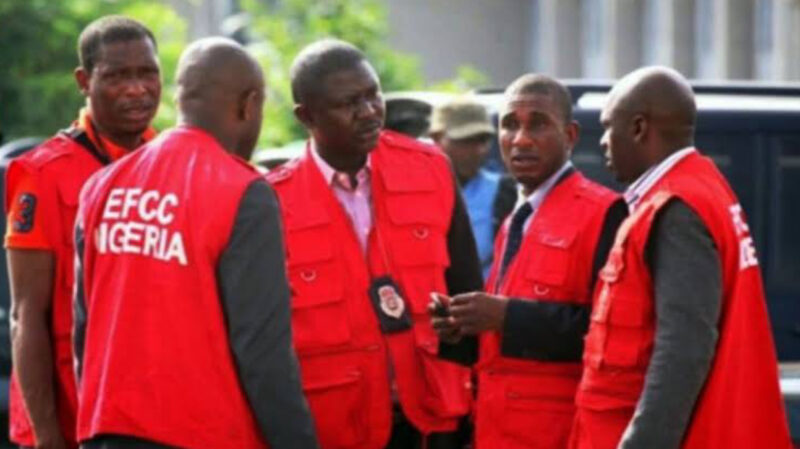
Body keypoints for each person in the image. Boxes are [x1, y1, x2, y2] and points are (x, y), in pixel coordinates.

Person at [73, 37, 319, 449]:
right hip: (203, 433)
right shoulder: (243, 191)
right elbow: (262, 351)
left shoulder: (102, 185)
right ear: (248, 105)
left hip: (106, 429)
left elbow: (84, 328)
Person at [266, 39, 483, 449]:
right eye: (349, 103)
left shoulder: (430, 168)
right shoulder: (273, 201)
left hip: (432, 421)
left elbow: (467, 290)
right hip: (335, 427)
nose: (368, 112)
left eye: (373, 95)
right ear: (306, 116)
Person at [570, 66, 792, 449]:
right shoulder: (701, 188)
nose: (604, 142)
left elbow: (683, 347)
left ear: (639, 128)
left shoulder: (676, 206)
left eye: (609, 127)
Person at [429, 74, 626, 449]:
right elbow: (501, 340)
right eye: (509, 125)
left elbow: (613, 338)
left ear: (569, 136)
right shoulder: (517, 218)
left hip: (559, 434)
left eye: (537, 124)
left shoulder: (604, 214)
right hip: (496, 430)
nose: (520, 139)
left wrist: (506, 316)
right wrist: (462, 326)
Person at [4, 16, 161, 449]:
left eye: (147, 73)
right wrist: (48, 436)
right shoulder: (41, 174)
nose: (137, 88)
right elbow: (26, 317)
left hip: (147, 418)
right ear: (83, 81)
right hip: (69, 419)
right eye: (117, 76)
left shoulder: (169, 164)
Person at [429, 99, 516, 279]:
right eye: (466, 141)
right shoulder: (409, 192)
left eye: (483, 141)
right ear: (437, 138)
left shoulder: (504, 192)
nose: (478, 150)